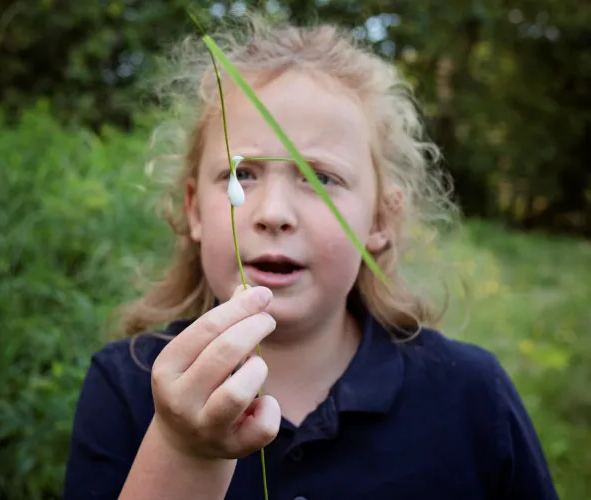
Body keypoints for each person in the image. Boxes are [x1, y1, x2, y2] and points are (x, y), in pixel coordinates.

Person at [63, 18, 559, 500]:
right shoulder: (127, 385)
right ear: (194, 209)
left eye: (320, 177)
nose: (273, 214)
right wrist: (181, 448)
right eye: (244, 175)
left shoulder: (473, 394)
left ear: (379, 223)